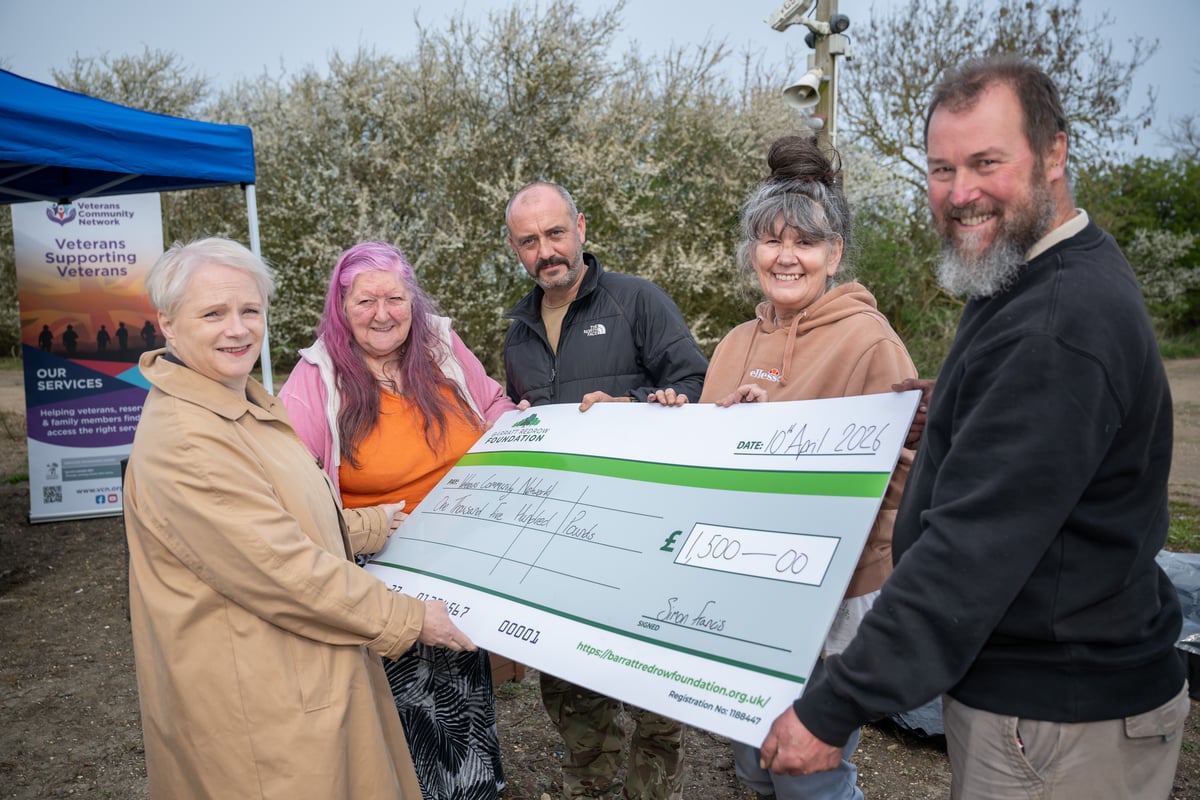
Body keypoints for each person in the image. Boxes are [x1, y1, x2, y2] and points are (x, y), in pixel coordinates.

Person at [759, 56, 1190, 799]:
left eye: (987, 163)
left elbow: (971, 553)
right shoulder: (1037, 271)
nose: (961, 193)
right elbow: (1033, 428)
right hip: (1041, 699)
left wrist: (831, 709)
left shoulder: (1056, 325)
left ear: (1054, 153)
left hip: (1058, 718)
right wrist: (959, 404)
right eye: (942, 169)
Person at [123, 236, 475, 800]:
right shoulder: (191, 440)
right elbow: (283, 570)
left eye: (249, 310)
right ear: (167, 323)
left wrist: (370, 525)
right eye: (212, 314)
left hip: (297, 674)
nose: (237, 329)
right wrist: (410, 619)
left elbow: (272, 517)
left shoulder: (232, 402)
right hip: (265, 707)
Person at [700, 136, 917, 800]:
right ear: (753, 251)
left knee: (808, 775)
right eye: (772, 241)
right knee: (753, 766)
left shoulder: (870, 341)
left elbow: (905, 475)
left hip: (831, 597)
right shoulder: (734, 344)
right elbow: (703, 465)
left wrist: (784, 442)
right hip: (744, 590)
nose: (786, 256)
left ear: (835, 254)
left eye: (806, 242)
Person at [279, 240, 515, 800]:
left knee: (462, 687)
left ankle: (474, 788)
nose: (382, 314)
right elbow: (291, 486)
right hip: (378, 564)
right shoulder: (316, 379)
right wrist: (364, 526)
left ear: (413, 301)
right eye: (365, 301)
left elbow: (493, 405)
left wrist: (520, 428)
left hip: (461, 550)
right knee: (406, 706)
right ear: (341, 307)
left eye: (394, 299)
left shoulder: (441, 346)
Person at [503, 181, 710, 799]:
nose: (546, 251)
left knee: (654, 699)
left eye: (555, 233)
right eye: (529, 241)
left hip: (642, 537)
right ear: (515, 249)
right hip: (560, 545)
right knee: (570, 692)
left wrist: (637, 405)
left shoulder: (636, 301)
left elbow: (697, 385)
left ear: (581, 228)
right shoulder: (518, 331)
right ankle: (588, 785)